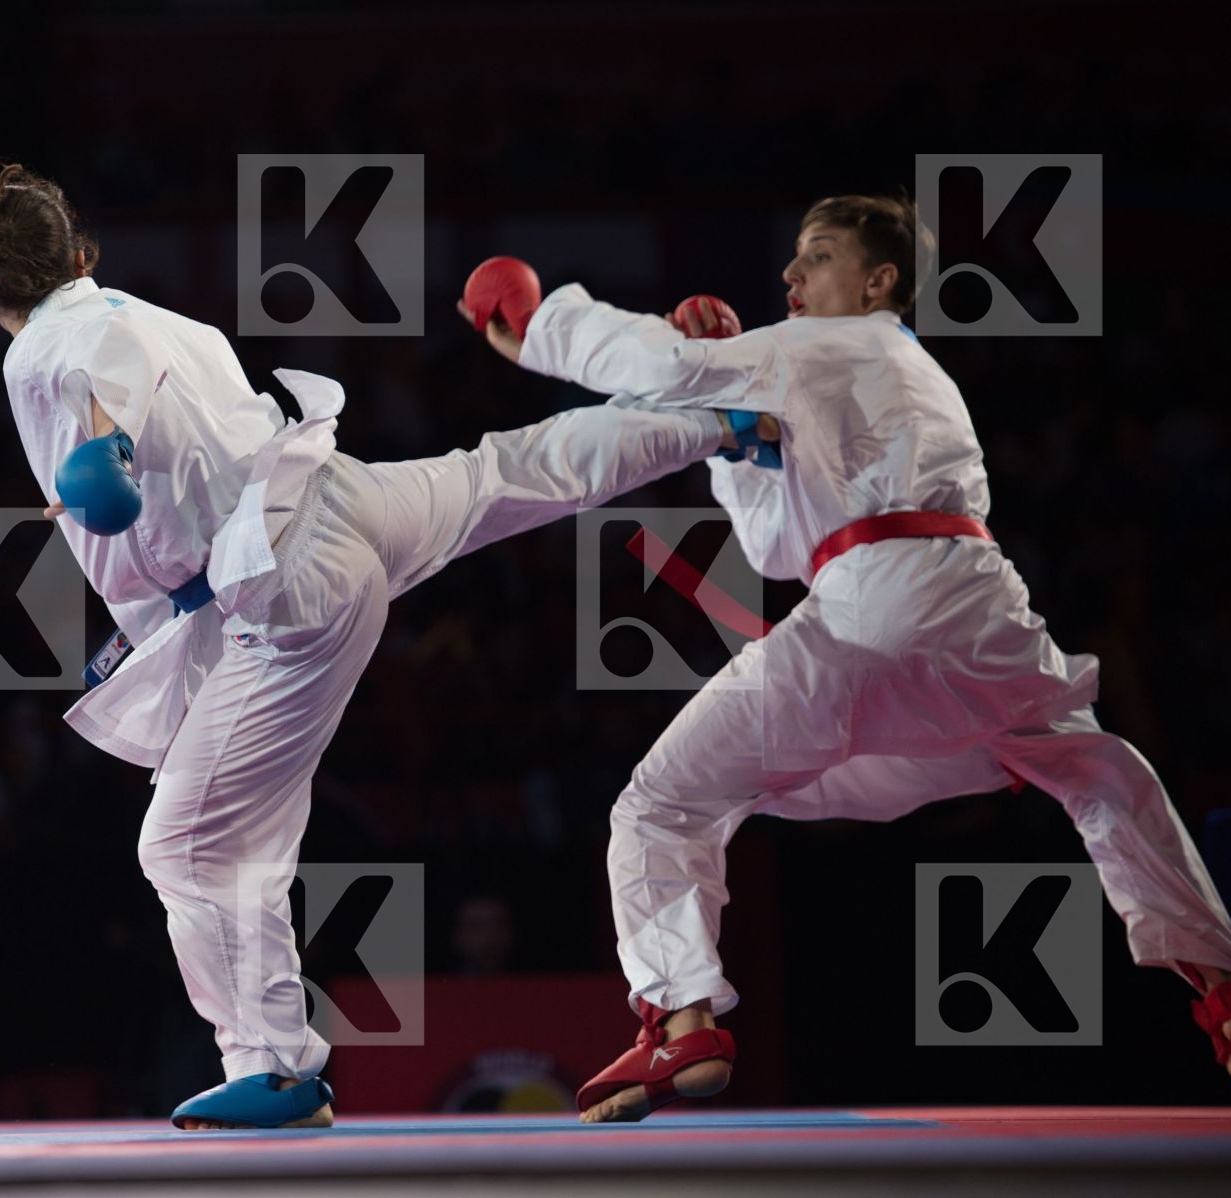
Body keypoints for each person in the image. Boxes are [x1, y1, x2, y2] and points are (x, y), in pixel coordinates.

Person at [0, 164, 771, 1130]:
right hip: (333, 498)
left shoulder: (53, 347)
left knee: (188, 841)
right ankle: (713, 422)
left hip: (291, 589)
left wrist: (99, 454)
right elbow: (173, 499)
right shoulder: (149, 313)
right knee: (501, 472)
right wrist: (139, 621)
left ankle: (273, 1064)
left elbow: (100, 412)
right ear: (79, 255)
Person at [470, 192, 1231, 1122]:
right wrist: (739, 442)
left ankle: (680, 1021)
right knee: (1096, 768)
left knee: (661, 804)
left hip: (873, 613)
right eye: (792, 257)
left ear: (878, 282)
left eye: (817, 256)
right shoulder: (889, 373)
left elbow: (661, 364)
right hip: (978, 614)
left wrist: (539, 324)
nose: (792, 275)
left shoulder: (842, 341)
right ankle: (1219, 981)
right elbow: (778, 551)